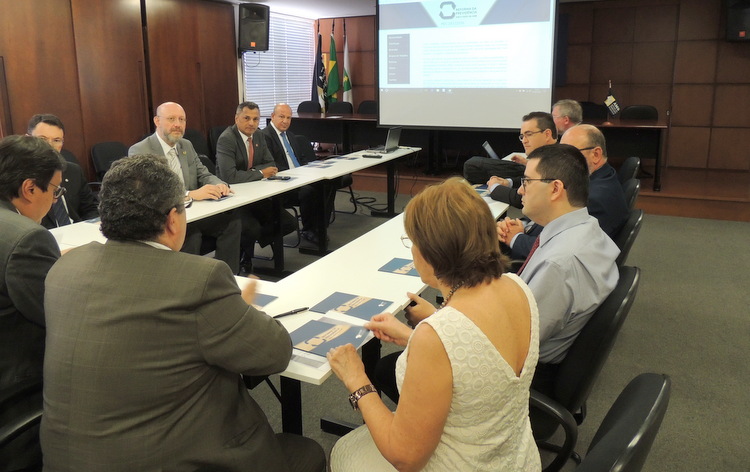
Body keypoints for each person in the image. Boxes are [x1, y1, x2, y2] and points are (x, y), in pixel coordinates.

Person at [41, 154, 325, 472]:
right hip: (168, 459)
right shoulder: (199, 280)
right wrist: (241, 309)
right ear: (173, 219)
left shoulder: (63, 268)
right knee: (307, 453)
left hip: (62, 461)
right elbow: (275, 353)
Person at [327, 178, 541, 471]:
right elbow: (478, 357)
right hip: (518, 458)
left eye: (412, 242)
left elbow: (405, 457)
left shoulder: (437, 337)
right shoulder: (518, 287)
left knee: (344, 451)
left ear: (432, 251)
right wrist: (413, 336)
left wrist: (356, 379)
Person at [514, 143, 619, 395]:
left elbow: (515, 345)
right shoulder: (587, 226)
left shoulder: (559, 264)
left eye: (526, 181)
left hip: (526, 376)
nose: (519, 190)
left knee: (403, 369)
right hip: (537, 345)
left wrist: (432, 332)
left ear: (555, 188)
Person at [0, 135, 64, 469]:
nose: (55, 201)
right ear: (29, 188)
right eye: (55, 191)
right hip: (19, 385)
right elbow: (61, 318)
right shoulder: (27, 238)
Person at [129, 101, 242, 273]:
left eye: (182, 120)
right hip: (164, 217)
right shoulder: (140, 150)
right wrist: (190, 194)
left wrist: (219, 184)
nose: (177, 124)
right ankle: (189, 288)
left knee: (232, 223)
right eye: (171, 119)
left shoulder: (186, 145)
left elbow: (203, 173)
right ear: (157, 121)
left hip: (194, 212)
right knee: (191, 235)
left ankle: (227, 280)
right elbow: (149, 193)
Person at [497, 124, 629, 259]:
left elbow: (555, 249)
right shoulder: (599, 177)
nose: (559, 161)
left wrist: (515, 237)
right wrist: (520, 225)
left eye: (569, 154)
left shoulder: (594, 198)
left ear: (596, 154)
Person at [215, 102, 297, 264]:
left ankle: (246, 250)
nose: (251, 123)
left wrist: (251, 172)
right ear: (236, 118)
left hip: (256, 193)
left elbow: (271, 164)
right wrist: (259, 173)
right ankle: (244, 256)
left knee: (288, 222)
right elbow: (229, 177)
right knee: (251, 229)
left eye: (256, 119)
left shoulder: (259, 135)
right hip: (234, 199)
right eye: (246, 118)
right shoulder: (227, 139)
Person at [260, 103, 334, 246]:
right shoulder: (265, 137)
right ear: (272, 116)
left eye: (288, 117)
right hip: (283, 183)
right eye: (281, 117)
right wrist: (298, 174)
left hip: (300, 176)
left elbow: (301, 159)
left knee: (328, 183)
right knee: (309, 192)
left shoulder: (291, 136)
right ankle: (308, 229)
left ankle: (320, 226)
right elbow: (272, 165)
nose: (285, 121)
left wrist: (310, 169)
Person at [27, 114, 99, 228]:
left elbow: (90, 209)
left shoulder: (73, 171)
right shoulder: (20, 176)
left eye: (56, 140)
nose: (49, 146)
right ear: (28, 140)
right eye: (42, 139)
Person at [483, 111, 558, 196]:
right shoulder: (549, 156)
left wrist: (494, 187)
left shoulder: (555, 161)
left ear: (547, 134)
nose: (524, 141)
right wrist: (508, 182)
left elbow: (526, 196)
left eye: (529, 134)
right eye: (522, 137)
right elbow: (531, 183)